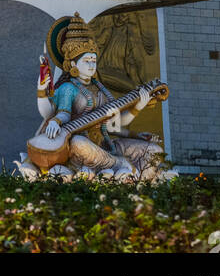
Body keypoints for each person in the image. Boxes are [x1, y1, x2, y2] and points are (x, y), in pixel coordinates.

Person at [38, 13, 162, 180]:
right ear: (73, 64)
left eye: (94, 61)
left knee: (155, 151)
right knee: (78, 143)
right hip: (81, 147)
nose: (91, 65)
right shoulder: (69, 88)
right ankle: (120, 166)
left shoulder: (101, 90)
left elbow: (113, 126)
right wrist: (55, 121)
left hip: (105, 146)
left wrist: (138, 109)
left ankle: (141, 187)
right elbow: (63, 113)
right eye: (87, 61)